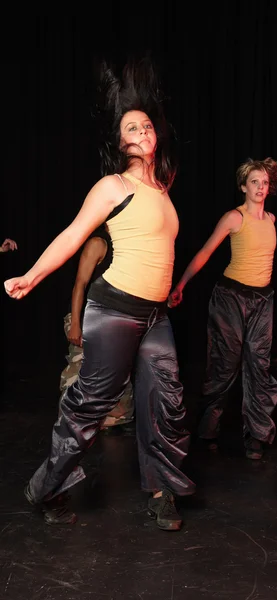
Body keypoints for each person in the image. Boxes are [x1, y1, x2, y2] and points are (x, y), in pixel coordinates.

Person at [4, 58, 195, 531]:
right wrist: (31, 275)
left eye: (147, 124)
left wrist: (171, 288)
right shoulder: (114, 186)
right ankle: (46, 487)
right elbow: (73, 236)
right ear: (120, 139)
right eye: (132, 126)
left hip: (155, 316)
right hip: (114, 312)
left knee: (163, 402)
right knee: (89, 407)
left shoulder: (164, 188)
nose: (143, 130)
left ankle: (160, 492)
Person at [169, 158, 277, 460]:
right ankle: (207, 430)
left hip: (263, 300)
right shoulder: (235, 217)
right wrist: (180, 285)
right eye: (254, 182)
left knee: (259, 366)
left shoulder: (270, 219)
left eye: (264, 182)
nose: (260, 187)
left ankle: (256, 435)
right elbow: (206, 252)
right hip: (231, 298)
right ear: (244, 186)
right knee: (224, 366)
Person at [59, 224, 134, 430]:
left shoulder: (128, 245)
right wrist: (75, 324)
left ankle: (112, 419)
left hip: (113, 319)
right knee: (79, 369)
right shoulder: (98, 243)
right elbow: (80, 284)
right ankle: (71, 420)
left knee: (117, 372)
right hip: (86, 318)